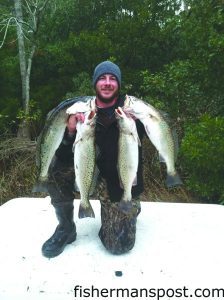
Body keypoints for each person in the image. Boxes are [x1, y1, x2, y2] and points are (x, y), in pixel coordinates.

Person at [42, 61, 146, 258]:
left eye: (112, 79)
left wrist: (140, 120)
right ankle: (66, 228)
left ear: (119, 84)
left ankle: (129, 207)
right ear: (95, 83)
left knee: (118, 246)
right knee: (55, 170)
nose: (107, 83)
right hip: (87, 169)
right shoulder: (80, 109)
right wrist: (71, 131)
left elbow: (142, 148)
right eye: (102, 78)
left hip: (116, 179)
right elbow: (63, 156)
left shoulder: (131, 109)